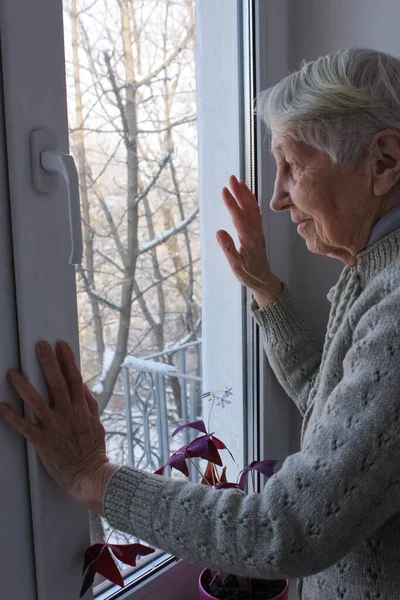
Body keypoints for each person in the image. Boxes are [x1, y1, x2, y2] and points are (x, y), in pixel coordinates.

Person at [2, 46, 400, 600]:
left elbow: (287, 531)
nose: (278, 197)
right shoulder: (373, 267)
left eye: (292, 165)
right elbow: (342, 413)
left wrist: (95, 476)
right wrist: (265, 290)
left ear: (383, 162)